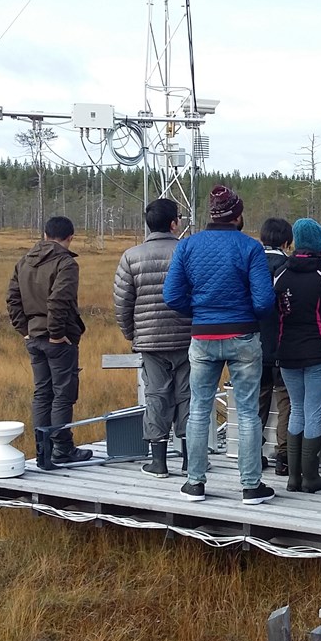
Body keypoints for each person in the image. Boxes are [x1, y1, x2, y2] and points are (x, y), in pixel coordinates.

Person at [163, 185, 276, 505]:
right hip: (243, 336)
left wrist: (199, 313)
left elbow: (171, 296)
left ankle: (195, 483)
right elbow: (265, 301)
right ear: (238, 216)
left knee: (199, 408)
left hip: (203, 337)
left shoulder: (188, 246)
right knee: (249, 412)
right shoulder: (250, 247)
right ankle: (251, 486)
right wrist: (245, 315)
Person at [113, 198, 192, 478]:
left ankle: (158, 463)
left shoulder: (131, 256)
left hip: (150, 340)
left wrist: (131, 334)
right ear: (174, 223)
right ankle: (189, 461)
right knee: (188, 396)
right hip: (187, 338)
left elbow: (122, 303)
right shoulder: (188, 251)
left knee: (156, 396)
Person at [6, 215, 92, 464]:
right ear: (70, 237)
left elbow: (12, 299)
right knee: (62, 395)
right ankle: (62, 449)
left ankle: (43, 451)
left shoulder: (23, 262)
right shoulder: (66, 264)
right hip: (57, 340)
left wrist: (25, 329)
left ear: (45, 235)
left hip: (34, 337)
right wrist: (56, 335)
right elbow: (58, 300)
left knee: (42, 394)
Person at [274, 218, 321, 493]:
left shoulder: (281, 273)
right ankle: (311, 477)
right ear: (320, 243)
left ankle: (294, 478)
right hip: (319, 349)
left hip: (287, 351)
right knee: (313, 410)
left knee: (297, 409)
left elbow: (273, 308)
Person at [258, 217, 293, 475]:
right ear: (287, 242)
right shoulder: (287, 266)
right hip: (283, 346)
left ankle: (252, 454)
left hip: (254, 346)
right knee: (285, 403)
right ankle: (284, 458)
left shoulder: (252, 263)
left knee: (255, 403)